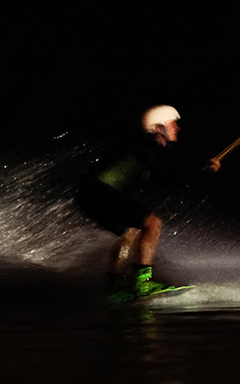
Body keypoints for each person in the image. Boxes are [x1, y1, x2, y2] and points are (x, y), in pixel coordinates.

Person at [75, 105, 220, 301]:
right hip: (99, 191)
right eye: (173, 124)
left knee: (131, 232)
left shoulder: (147, 147)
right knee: (153, 223)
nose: (177, 128)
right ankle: (143, 282)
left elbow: (167, 178)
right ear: (159, 128)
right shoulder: (147, 147)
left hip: (87, 195)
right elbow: (170, 179)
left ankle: (116, 285)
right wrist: (203, 169)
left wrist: (199, 169)